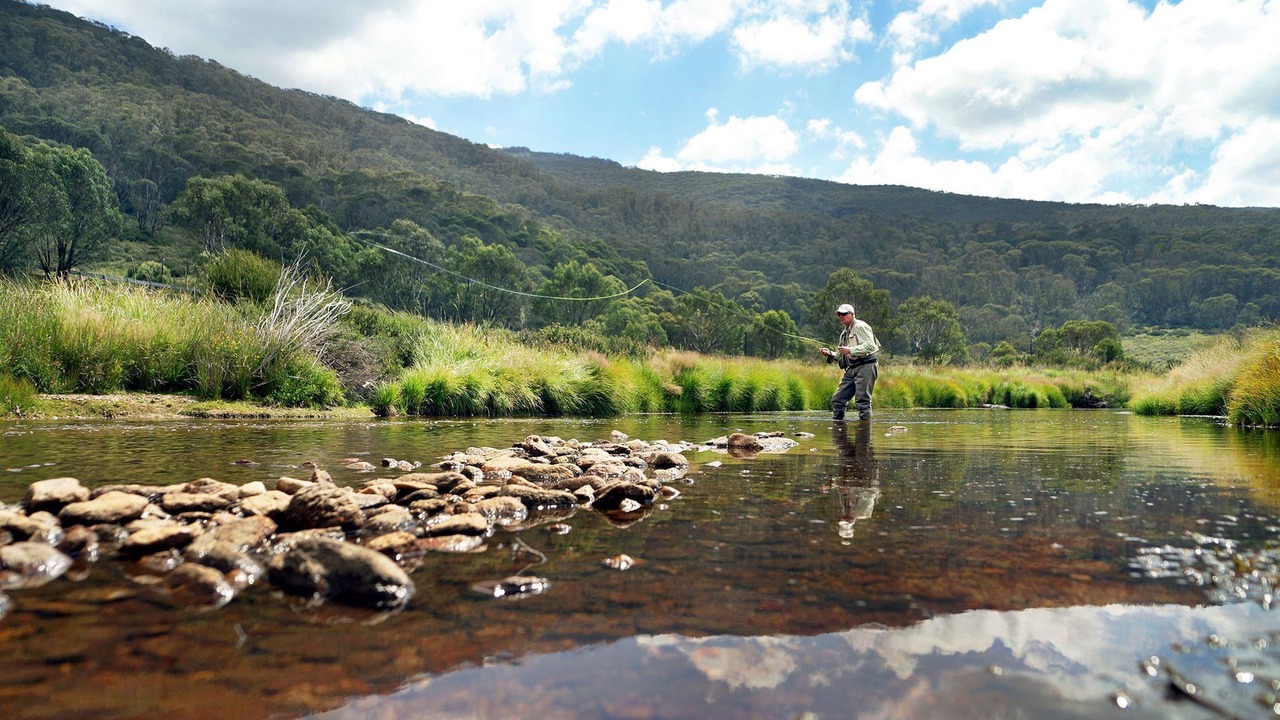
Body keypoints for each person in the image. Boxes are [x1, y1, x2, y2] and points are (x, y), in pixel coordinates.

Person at [820, 302, 880, 421]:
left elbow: (870, 346)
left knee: (862, 401)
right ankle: (838, 428)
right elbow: (841, 354)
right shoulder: (844, 333)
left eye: (844, 314)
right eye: (839, 314)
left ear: (852, 314)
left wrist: (850, 350)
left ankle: (864, 429)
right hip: (852, 368)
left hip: (866, 366)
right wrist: (830, 353)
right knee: (838, 399)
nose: (841, 316)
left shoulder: (861, 327)